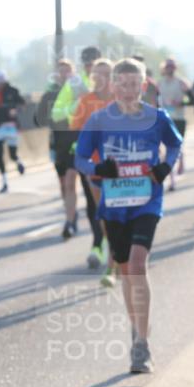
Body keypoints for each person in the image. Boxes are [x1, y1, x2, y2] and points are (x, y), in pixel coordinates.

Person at [75, 58, 182, 373]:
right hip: (114, 204)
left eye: (134, 84)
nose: (128, 90)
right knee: (125, 271)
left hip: (146, 201)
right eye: (122, 84)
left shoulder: (157, 117)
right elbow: (79, 158)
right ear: (112, 86)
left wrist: (164, 166)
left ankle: (141, 344)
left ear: (144, 86)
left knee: (138, 264)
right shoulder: (98, 120)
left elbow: (175, 145)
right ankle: (136, 330)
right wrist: (97, 169)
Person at [52, 46, 101, 239]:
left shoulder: (110, 80)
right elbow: (56, 114)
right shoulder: (75, 82)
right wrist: (77, 106)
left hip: (104, 141)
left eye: (94, 63)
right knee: (70, 179)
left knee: (95, 191)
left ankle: (105, 233)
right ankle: (70, 221)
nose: (90, 68)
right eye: (87, 64)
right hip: (78, 139)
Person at [71, 58, 115, 275]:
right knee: (104, 213)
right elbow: (77, 131)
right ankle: (112, 254)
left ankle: (123, 253)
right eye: (96, 75)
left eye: (106, 74)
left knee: (125, 213)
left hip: (123, 167)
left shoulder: (122, 99)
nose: (100, 78)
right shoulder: (85, 101)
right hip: (97, 167)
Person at [157, 57, 194, 190]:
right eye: (168, 67)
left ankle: (181, 160)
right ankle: (171, 178)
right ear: (164, 69)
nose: (170, 70)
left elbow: (192, 100)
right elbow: (156, 102)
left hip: (179, 119)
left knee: (176, 145)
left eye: (172, 67)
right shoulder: (160, 84)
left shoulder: (181, 82)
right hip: (165, 119)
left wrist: (180, 103)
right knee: (166, 149)